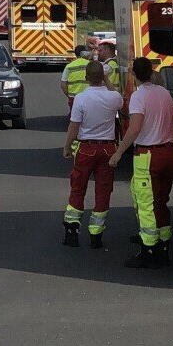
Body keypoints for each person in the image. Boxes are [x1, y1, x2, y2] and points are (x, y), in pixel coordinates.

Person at [110, 57, 173, 269]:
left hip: (148, 155)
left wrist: (119, 153)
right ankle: (164, 246)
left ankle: (149, 251)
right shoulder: (164, 92)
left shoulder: (139, 97)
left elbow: (135, 127)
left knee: (146, 205)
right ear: (151, 72)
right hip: (168, 152)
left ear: (133, 74)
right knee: (161, 202)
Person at [63, 60, 123, 249]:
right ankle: (96, 236)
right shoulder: (113, 97)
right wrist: (107, 80)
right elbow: (119, 99)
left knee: (78, 187)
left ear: (86, 78)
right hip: (108, 149)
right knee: (103, 191)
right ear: (103, 77)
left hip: (86, 148)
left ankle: (72, 232)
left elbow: (74, 126)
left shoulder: (81, 98)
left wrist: (66, 147)